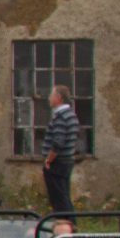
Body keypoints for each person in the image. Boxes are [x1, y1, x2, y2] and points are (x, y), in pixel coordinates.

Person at [42, 85, 80, 216]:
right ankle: (67, 226)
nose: (49, 98)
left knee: (59, 199)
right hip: (66, 161)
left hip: (58, 163)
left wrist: (49, 159)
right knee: (63, 196)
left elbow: (58, 142)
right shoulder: (71, 115)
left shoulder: (61, 117)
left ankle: (65, 228)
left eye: (51, 95)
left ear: (59, 98)